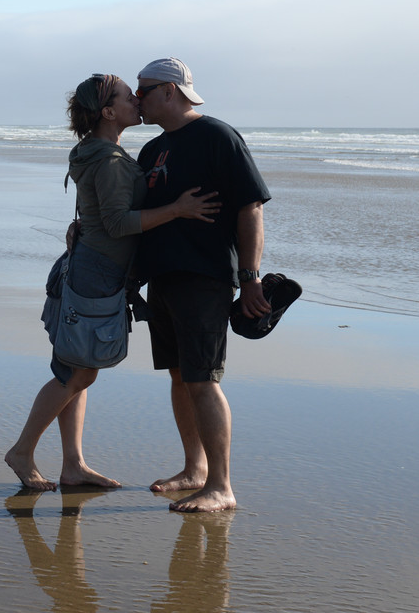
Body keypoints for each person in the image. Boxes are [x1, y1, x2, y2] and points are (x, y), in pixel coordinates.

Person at [5, 74, 219, 491]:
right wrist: (177, 209)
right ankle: (22, 451)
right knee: (76, 373)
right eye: (127, 97)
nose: (136, 100)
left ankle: (73, 466)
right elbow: (120, 222)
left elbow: (98, 213)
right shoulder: (110, 161)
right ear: (107, 111)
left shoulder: (93, 151)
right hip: (98, 272)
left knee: (79, 370)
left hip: (88, 265)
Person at [133, 57, 272, 513]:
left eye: (144, 90)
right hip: (163, 279)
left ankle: (222, 485)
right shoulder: (152, 150)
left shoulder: (217, 136)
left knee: (203, 378)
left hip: (205, 277)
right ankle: (194, 470)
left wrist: (249, 278)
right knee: (178, 375)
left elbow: (250, 207)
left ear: (170, 91)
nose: (138, 99)